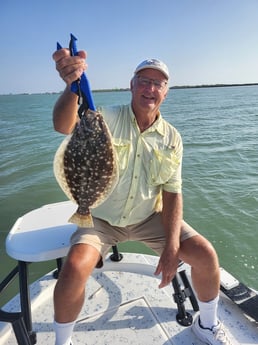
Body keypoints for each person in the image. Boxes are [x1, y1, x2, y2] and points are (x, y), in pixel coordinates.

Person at [52, 47, 235, 345]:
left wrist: (172, 244)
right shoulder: (105, 118)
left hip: (150, 217)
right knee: (73, 268)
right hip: (100, 217)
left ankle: (207, 324)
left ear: (166, 92)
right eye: (144, 80)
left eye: (158, 83)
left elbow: (173, 193)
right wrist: (72, 86)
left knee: (205, 254)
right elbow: (63, 125)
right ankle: (62, 341)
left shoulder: (172, 138)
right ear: (132, 85)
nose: (150, 88)